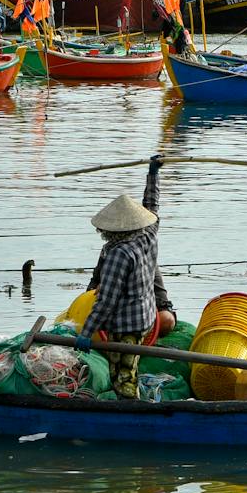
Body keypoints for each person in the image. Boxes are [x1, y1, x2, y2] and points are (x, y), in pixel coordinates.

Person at [77, 154, 171, 397]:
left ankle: (133, 412)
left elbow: (106, 300)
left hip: (126, 325)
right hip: (146, 318)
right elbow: (152, 205)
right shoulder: (148, 234)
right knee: (131, 366)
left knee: (122, 376)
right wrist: (153, 174)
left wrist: (86, 333)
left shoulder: (119, 254)